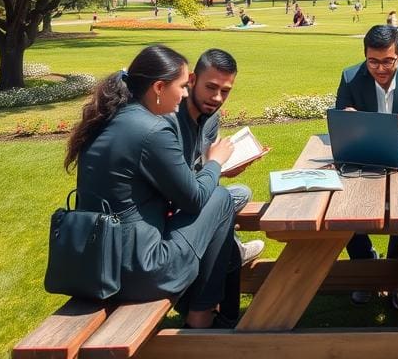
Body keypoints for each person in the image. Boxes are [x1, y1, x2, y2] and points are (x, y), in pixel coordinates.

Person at [64, 45, 237, 328]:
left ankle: (219, 311)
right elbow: (194, 198)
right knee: (220, 198)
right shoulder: (153, 129)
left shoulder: (110, 118)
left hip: (99, 264)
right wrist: (214, 163)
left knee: (216, 205)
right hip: (139, 271)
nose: (184, 93)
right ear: (159, 87)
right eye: (181, 86)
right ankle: (203, 314)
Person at [334, 25, 398, 307]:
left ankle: (396, 273)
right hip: (363, 156)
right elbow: (338, 120)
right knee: (341, 206)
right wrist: (348, 118)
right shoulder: (350, 77)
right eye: (373, 61)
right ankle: (365, 266)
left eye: (387, 61)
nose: (380, 69)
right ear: (365, 55)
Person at [173, 50, 264, 323]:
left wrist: (224, 167)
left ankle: (223, 316)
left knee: (240, 193)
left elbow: (201, 168)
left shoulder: (211, 115)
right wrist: (215, 167)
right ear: (192, 80)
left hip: (198, 192)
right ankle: (214, 315)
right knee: (224, 206)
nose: (216, 98)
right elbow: (183, 188)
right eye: (210, 87)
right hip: (175, 203)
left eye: (225, 91)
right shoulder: (172, 117)